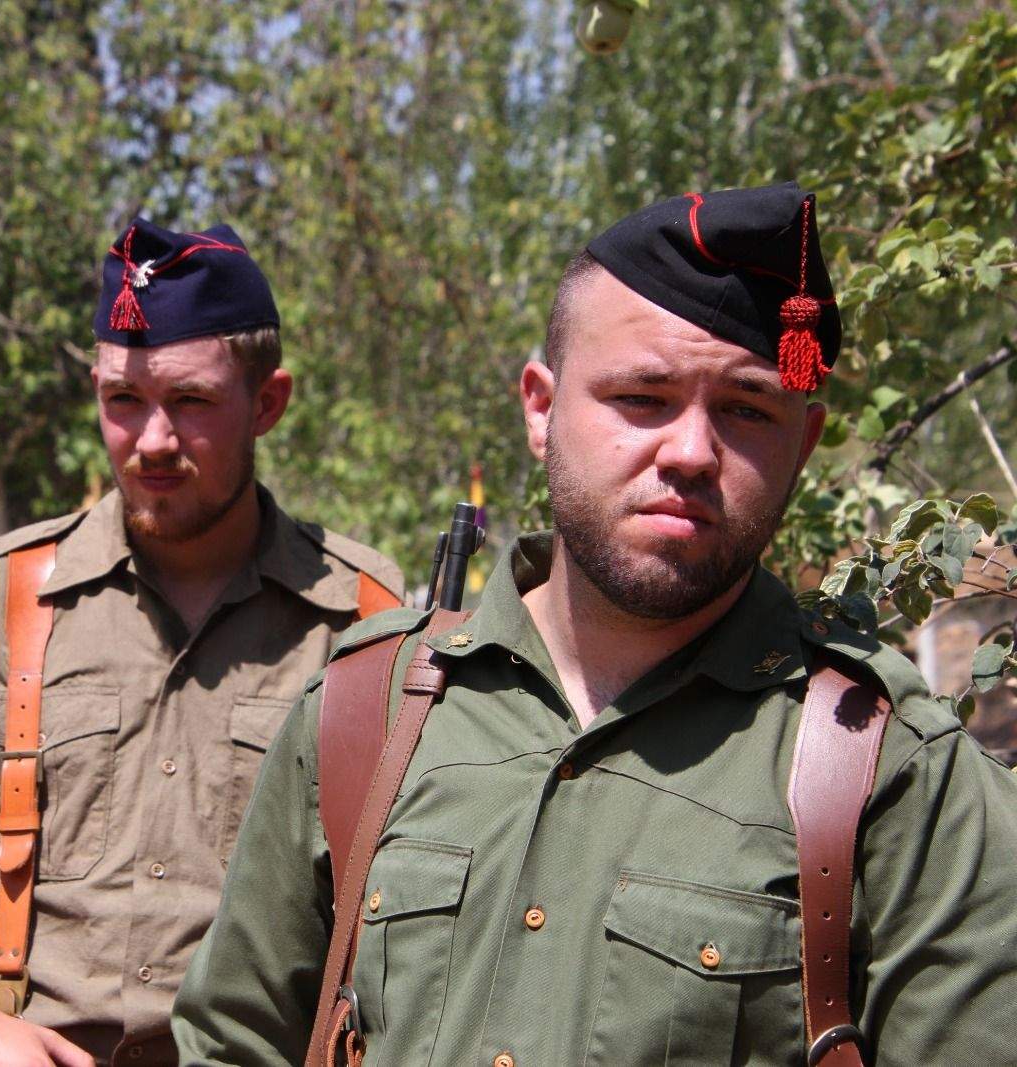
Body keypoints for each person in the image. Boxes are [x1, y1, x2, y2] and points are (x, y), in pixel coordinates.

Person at [171, 183, 1017, 1066]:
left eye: (747, 410)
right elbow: (234, 1042)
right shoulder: (364, 715)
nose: (691, 451)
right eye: (642, 397)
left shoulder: (891, 775)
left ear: (802, 446)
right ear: (540, 408)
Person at [0, 218, 404, 1067]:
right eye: (123, 400)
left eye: (190, 402)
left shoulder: (365, 620)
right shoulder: (0, 600)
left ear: (267, 403)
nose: (151, 441)